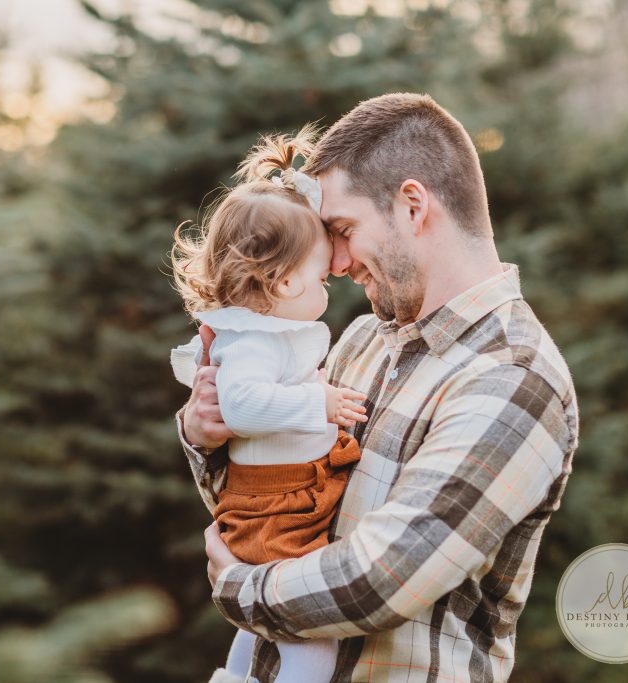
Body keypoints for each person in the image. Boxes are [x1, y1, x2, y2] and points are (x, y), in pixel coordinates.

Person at [177, 93, 579, 683]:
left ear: (413, 206)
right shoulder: (362, 339)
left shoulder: (511, 377)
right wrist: (205, 434)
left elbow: (381, 580)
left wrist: (240, 588)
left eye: (342, 230)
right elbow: (273, 503)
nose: (334, 262)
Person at [168, 128, 369, 683]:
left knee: (257, 632)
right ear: (281, 282)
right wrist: (319, 403)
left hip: (281, 495)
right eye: (318, 278)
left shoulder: (267, 332)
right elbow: (243, 404)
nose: (332, 282)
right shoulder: (256, 341)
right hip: (277, 507)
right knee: (311, 641)